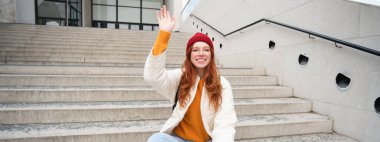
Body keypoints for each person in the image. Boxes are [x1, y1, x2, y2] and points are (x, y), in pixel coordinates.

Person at [144, 5, 237, 142]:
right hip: (179, 139)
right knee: (156, 139)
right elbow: (153, 77)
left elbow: (225, 123)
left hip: (206, 140)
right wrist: (164, 35)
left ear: (211, 55)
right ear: (189, 55)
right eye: (195, 50)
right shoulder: (180, 77)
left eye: (206, 50)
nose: (201, 54)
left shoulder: (222, 84)